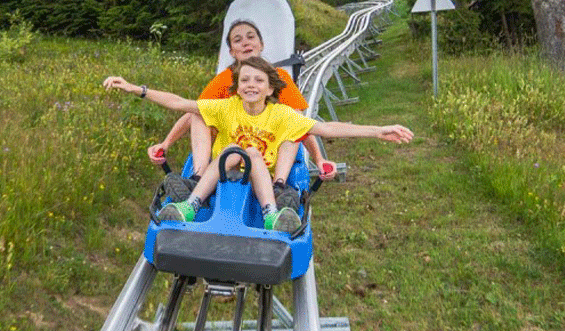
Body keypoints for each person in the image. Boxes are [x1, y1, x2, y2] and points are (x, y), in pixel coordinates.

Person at [103, 56, 413, 233]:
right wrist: (135, 88)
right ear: (237, 87)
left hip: (261, 175)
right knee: (225, 143)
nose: (251, 85)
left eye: (258, 81)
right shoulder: (226, 107)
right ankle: (189, 206)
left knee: (249, 153)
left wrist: (377, 130)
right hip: (224, 170)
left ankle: (270, 213)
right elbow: (177, 102)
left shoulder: (281, 114)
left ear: (269, 89)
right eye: (246, 80)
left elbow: (327, 127)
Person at [147, 19, 336, 209]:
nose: (245, 42)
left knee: (291, 124)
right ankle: (198, 177)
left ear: (261, 45)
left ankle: (278, 185)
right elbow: (191, 111)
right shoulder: (224, 80)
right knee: (200, 114)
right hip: (231, 147)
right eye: (238, 40)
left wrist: (318, 159)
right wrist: (166, 143)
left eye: (250, 37)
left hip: (269, 149)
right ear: (232, 52)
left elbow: (301, 124)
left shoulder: (278, 78)